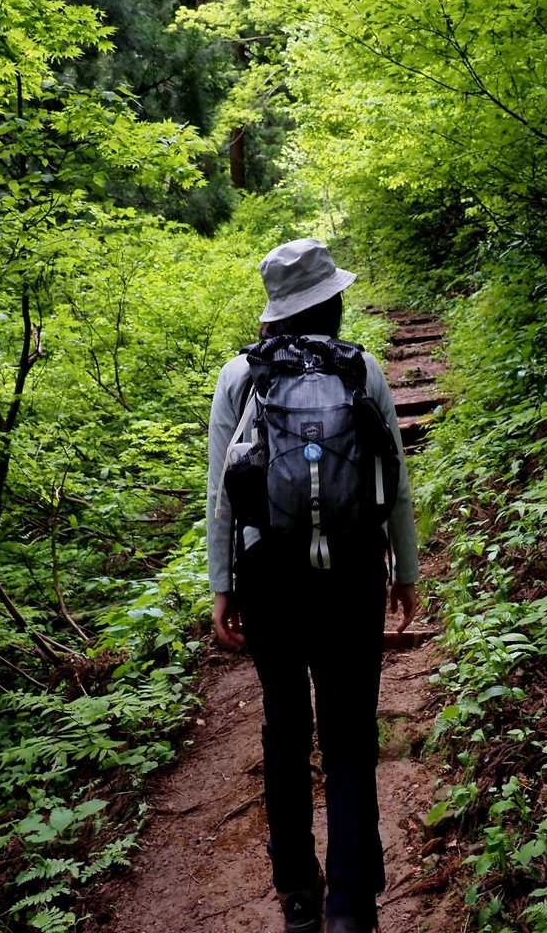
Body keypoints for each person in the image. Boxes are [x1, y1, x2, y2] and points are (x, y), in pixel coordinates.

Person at [205, 238, 420, 933]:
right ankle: (351, 905)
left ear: (276, 307)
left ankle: (297, 891)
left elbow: (221, 493)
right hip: (352, 572)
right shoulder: (363, 368)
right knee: (351, 732)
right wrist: (405, 570)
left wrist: (222, 584)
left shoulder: (239, 375)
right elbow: (395, 481)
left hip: (270, 576)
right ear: (332, 303)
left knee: (286, 727)